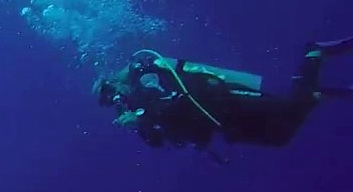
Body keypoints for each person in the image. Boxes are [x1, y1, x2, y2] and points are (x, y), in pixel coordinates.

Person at [94, 36, 353, 162]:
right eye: (108, 101)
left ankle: (314, 55)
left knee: (289, 108)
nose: (115, 99)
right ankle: (312, 94)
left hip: (223, 100)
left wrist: (144, 117)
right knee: (281, 137)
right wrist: (139, 124)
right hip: (223, 124)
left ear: (116, 82)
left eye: (110, 91)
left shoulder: (145, 79)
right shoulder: (137, 111)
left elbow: (177, 100)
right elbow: (157, 142)